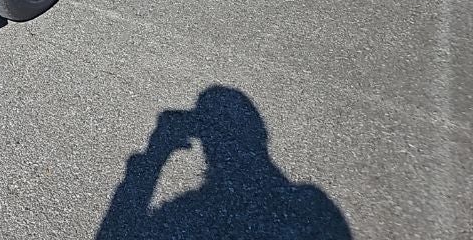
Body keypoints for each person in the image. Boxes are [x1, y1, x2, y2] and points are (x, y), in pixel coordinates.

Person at [96, 86, 352, 240]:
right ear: (259, 134)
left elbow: (117, 229)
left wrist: (156, 153)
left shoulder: (312, 204)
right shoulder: (311, 205)